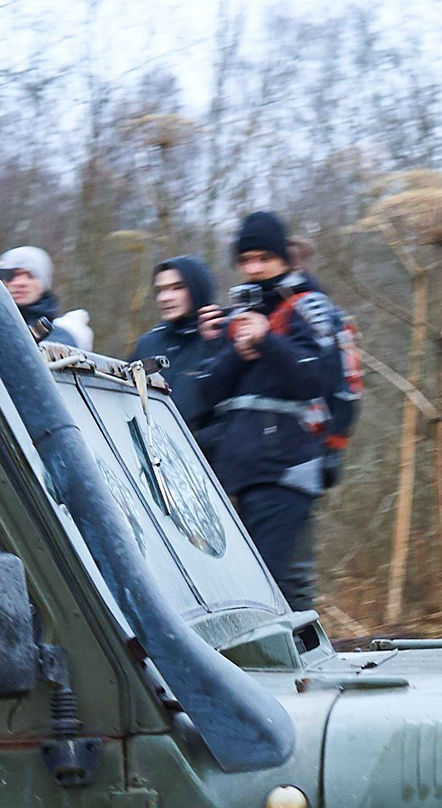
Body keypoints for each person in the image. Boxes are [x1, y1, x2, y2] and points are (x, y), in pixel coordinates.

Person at [195, 212, 341, 608]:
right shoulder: (237, 315)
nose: (254, 268)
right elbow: (206, 391)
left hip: (286, 470)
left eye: (263, 258)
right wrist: (237, 353)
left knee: (272, 589)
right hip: (237, 474)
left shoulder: (308, 307)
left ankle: (292, 668)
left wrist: (269, 341)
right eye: (246, 260)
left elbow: (318, 381)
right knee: (259, 589)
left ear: (283, 259)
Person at [129, 255, 226, 429]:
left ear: (198, 288)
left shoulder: (225, 336)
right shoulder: (149, 343)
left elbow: (196, 405)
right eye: (160, 290)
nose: (165, 297)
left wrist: (211, 345)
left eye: (177, 288)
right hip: (153, 446)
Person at [0, 245, 93, 351]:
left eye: (30, 275)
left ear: (43, 283)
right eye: (11, 276)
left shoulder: (61, 336)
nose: (20, 283)